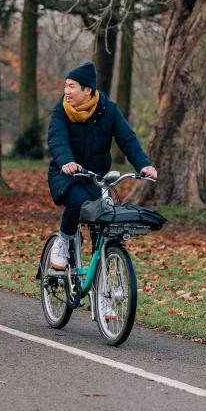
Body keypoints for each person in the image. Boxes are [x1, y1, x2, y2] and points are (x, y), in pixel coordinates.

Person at [47, 61, 157, 270]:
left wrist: (144, 165)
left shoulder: (109, 110)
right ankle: (63, 240)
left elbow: (128, 139)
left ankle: (100, 275)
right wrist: (66, 161)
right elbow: (57, 139)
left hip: (96, 176)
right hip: (66, 174)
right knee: (79, 202)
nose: (66, 91)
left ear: (87, 90)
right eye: (66, 86)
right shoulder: (61, 111)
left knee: (103, 217)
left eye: (72, 86)